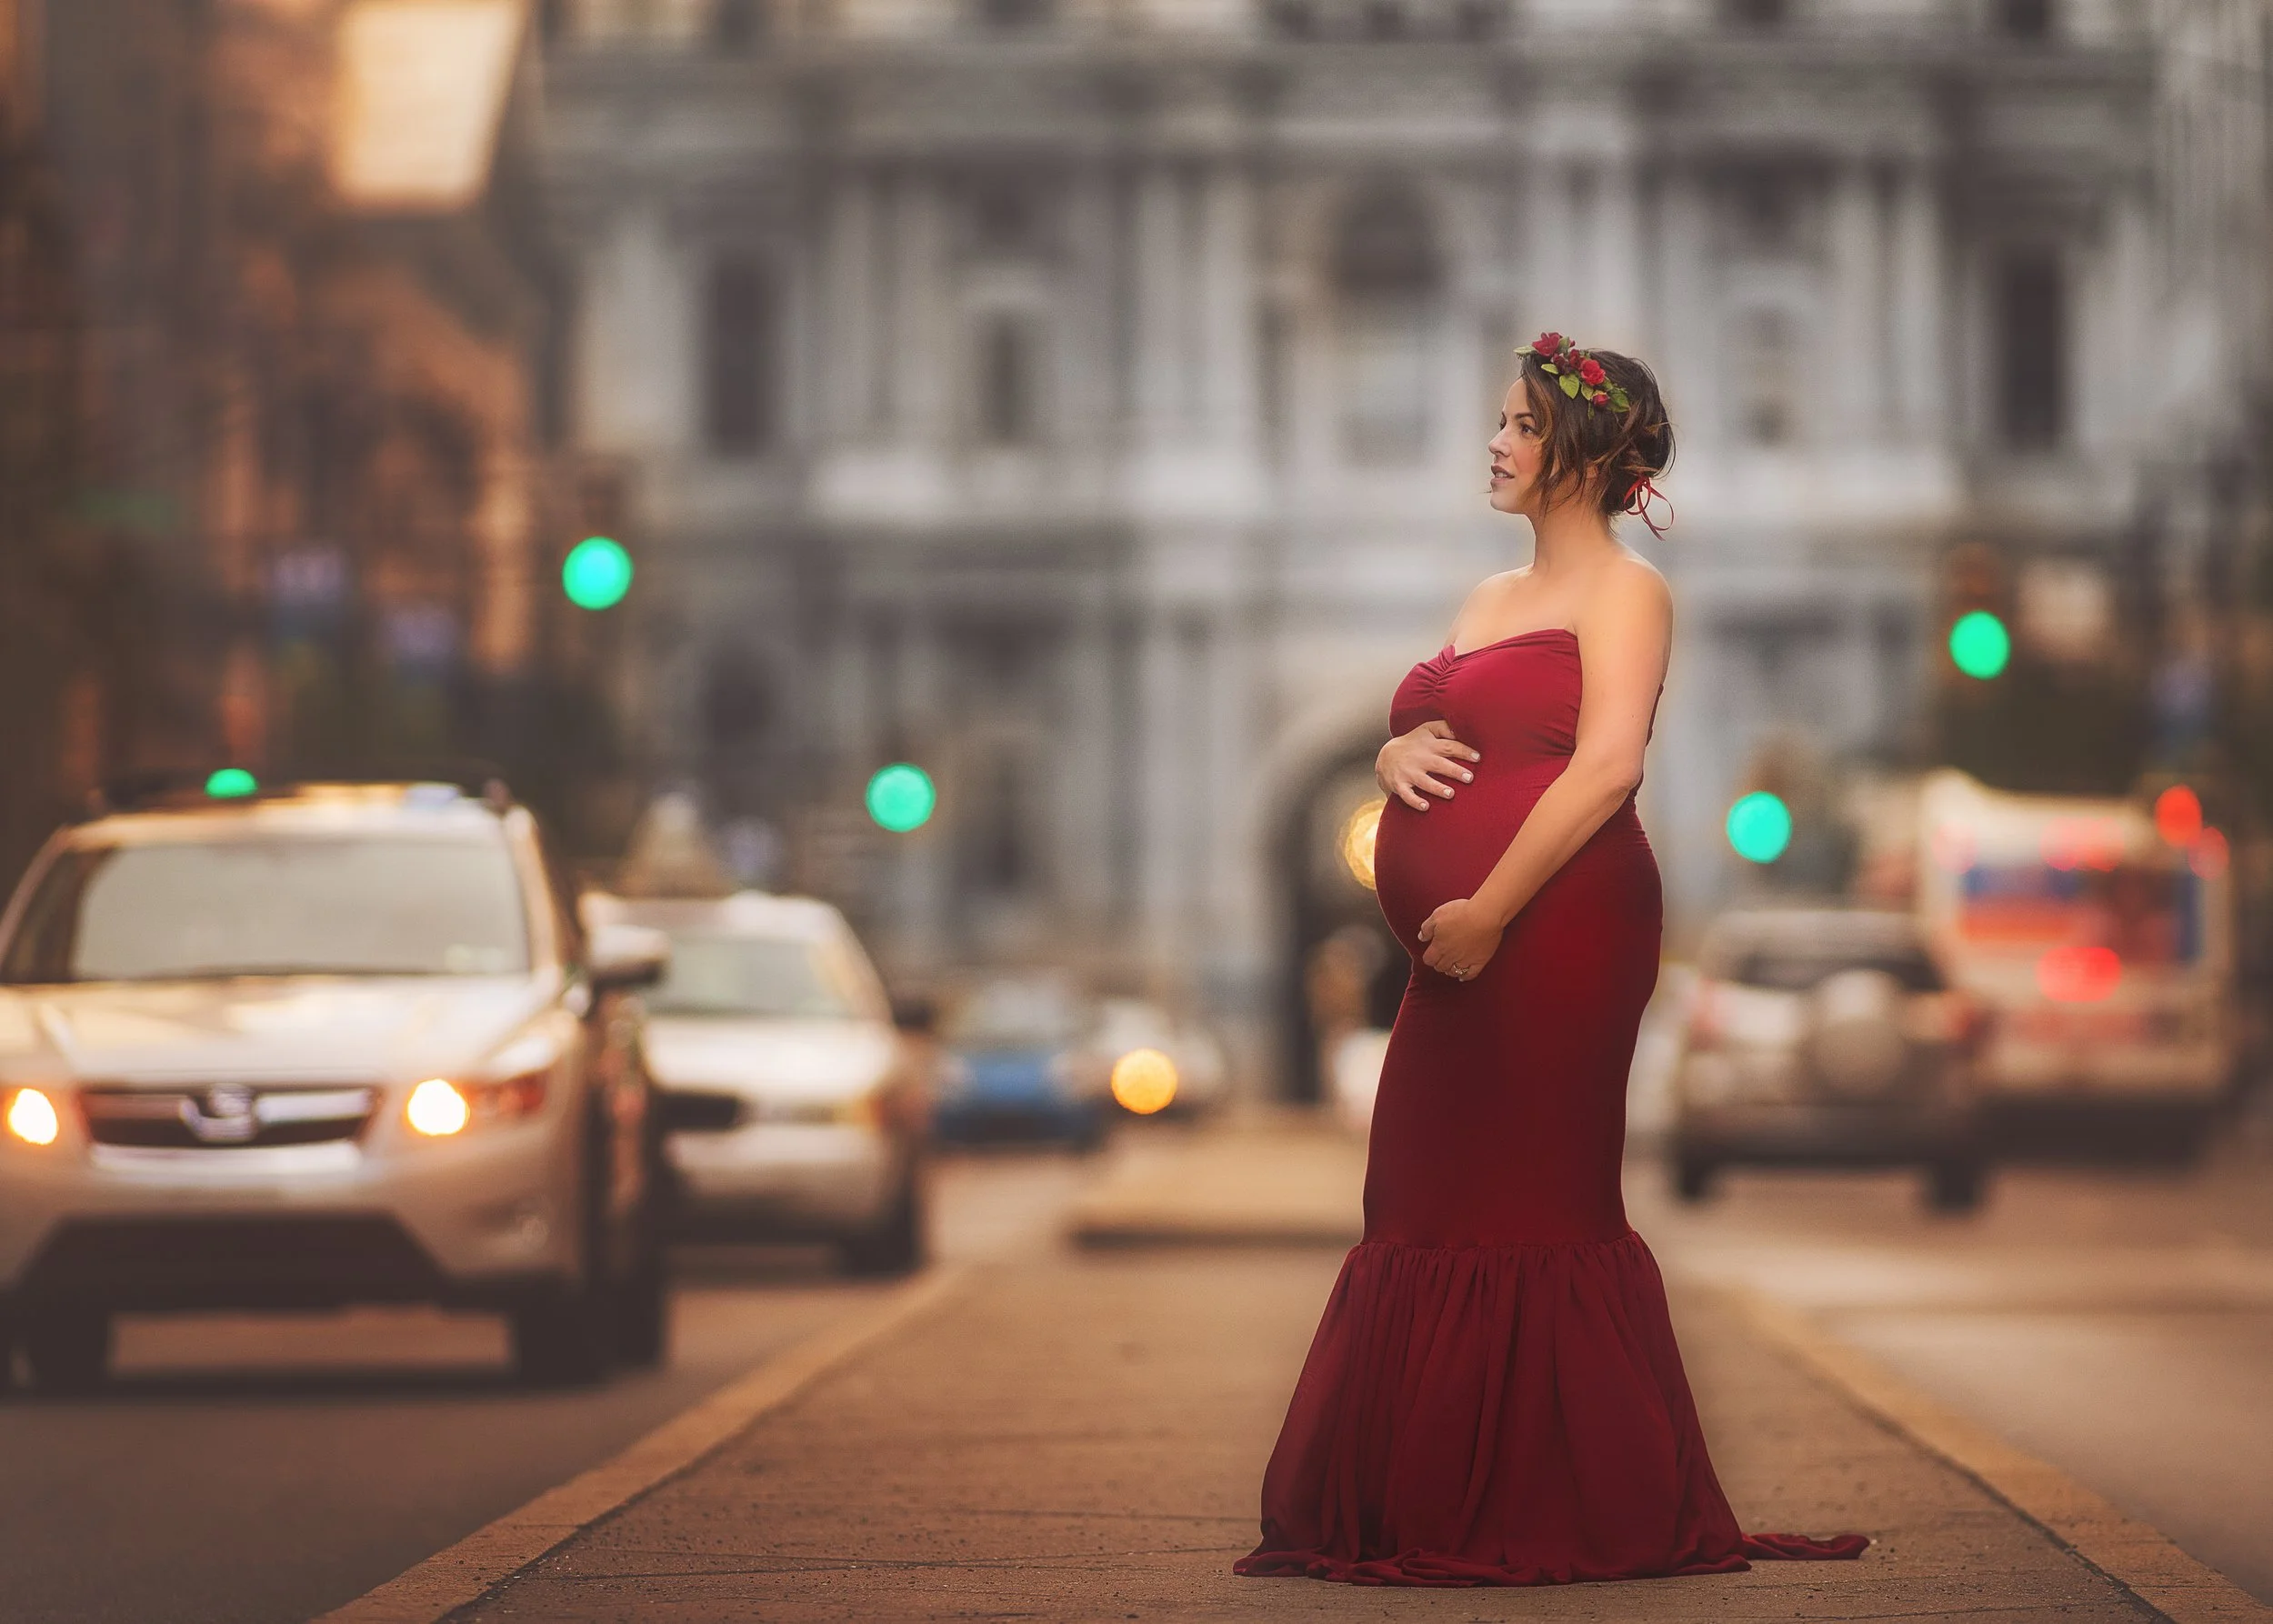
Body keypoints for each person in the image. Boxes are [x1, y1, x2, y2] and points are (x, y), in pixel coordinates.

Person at [1234, 334, 1869, 1587]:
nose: (1495, 440)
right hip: (1464, 937)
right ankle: (1431, 1495)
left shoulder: (1631, 593)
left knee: (1541, 1200)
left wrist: (1487, 908)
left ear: (1580, 455)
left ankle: (1567, 1501)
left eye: (1520, 424)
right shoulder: (1483, 599)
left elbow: (1608, 765)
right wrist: (1386, 760)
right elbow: (1438, 730)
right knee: (1413, 1191)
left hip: (1566, 923)